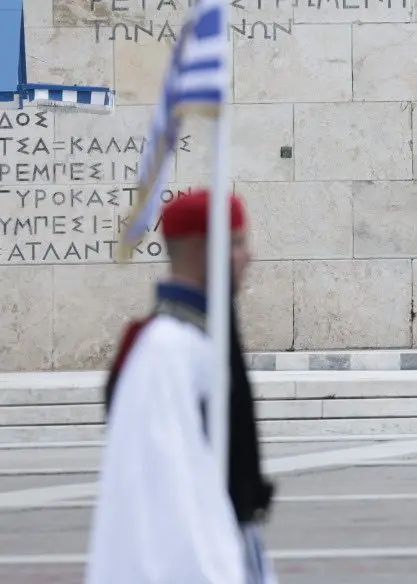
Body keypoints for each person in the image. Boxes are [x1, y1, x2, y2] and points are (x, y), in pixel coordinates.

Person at [85, 189, 276, 584]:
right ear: (205, 249)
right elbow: (169, 489)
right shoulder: (168, 350)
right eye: (238, 242)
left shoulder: (200, 336)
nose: (250, 254)